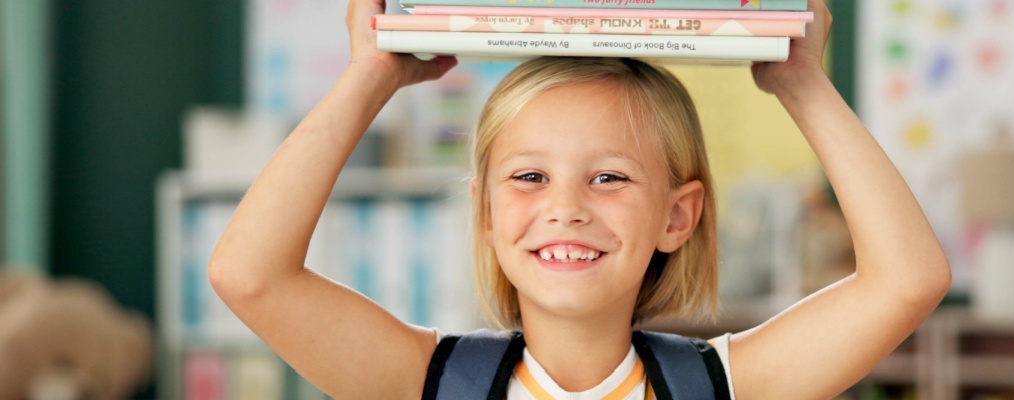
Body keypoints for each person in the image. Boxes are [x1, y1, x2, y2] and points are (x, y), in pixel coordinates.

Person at [208, 0, 952, 398]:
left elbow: (907, 281)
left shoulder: (721, 388)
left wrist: (802, 82)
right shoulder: (426, 383)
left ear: (677, 216)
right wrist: (368, 76)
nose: (566, 206)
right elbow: (250, 274)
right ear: (487, 214)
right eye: (529, 177)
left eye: (609, 177)